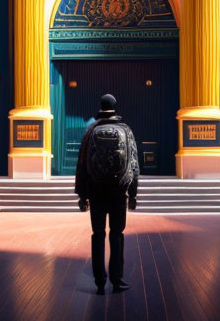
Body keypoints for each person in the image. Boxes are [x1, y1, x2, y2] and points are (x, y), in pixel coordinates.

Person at [75, 94, 139, 295]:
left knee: (98, 235)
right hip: (119, 192)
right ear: (114, 108)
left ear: (100, 108)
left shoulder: (90, 131)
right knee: (117, 235)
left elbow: (82, 165)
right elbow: (134, 165)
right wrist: (133, 194)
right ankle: (117, 280)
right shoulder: (126, 131)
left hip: (96, 191)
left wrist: (81, 195)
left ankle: (100, 282)